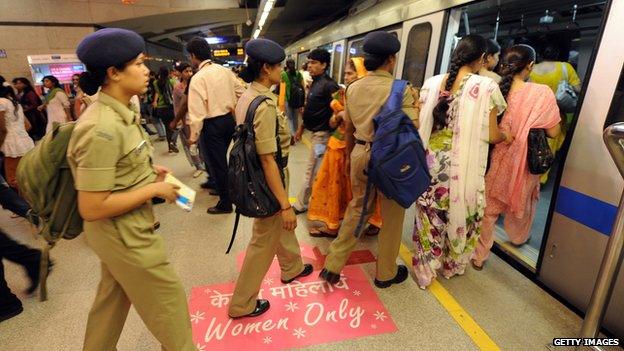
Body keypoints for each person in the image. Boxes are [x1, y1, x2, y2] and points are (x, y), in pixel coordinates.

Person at [69, 28, 194, 350]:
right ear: (113, 73)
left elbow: (118, 166)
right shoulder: (101, 128)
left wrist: (147, 171)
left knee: (110, 303)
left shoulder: (119, 113)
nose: (146, 71)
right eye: (138, 64)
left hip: (121, 229)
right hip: (124, 232)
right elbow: (92, 208)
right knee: (170, 304)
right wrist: (154, 191)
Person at [319, 31, 418, 288]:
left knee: (357, 209)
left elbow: (349, 129)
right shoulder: (401, 89)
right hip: (391, 160)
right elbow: (412, 128)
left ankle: (332, 265)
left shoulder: (352, 88)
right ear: (392, 59)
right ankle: (385, 273)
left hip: (360, 153)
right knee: (392, 217)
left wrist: (351, 157)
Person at [412, 35, 511, 289]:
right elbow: (491, 135)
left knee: (428, 217)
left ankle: (425, 271)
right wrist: (507, 135)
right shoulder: (487, 87)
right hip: (460, 168)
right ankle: (449, 265)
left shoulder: (433, 82)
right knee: (459, 216)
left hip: (430, 163)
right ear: (481, 59)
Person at [228, 38, 312, 319]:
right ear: (266, 68)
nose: (282, 71)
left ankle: (292, 267)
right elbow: (267, 159)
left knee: (279, 227)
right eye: (278, 67)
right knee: (263, 239)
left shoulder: (247, 95)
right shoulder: (263, 105)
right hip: (268, 175)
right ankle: (242, 303)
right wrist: (285, 204)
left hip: (261, 174)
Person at [472, 45, 561, 269]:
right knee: (524, 201)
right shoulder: (542, 93)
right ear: (530, 66)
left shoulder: (494, 89)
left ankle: (479, 257)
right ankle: (518, 238)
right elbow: (553, 132)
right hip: (525, 165)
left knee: (489, 211)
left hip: (498, 159)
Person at [307, 57, 382, 237]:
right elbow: (333, 123)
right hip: (337, 146)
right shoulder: (342, 94)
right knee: (336, 186)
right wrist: (338, 116)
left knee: (361, 190)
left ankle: (371, 222)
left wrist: (342, 115)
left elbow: (355, 123)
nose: (346, 77)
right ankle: (335, 222)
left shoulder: (367, 96)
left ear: (361, 74)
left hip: (356, 148)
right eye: (346, 73)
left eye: (350, 73)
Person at [186, 37, 244, 214]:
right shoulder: (224, 71)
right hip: (228, 121)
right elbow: (241, 91)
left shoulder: (198, 78)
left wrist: (192, 138)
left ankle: (226, 203)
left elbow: (197, 114)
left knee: (217, 164)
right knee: (220, 162)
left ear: (193, 55)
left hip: (211, 126)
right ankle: (221, 188)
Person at [292, 49, 340, 214]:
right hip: (315, 134)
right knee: (315, 169)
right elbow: (311, 109)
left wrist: (333, 123)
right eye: (309, 62)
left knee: (312, 170)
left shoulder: (329, 85)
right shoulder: (315, 83)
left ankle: (301, 204)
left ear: (324, 65)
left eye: (314, 63)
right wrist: (301, 128)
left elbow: (339, 109)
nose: (309, 66)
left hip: (322, 136)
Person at [530, 42, 581, 184]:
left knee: (532, 142)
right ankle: (541, 178)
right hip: (555, 114)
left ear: (539, 55)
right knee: (550, 145)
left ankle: (529, 173)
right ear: (557, 54)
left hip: (534, 113)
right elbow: (577, 88)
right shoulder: (565, 67)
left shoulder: (532, 68)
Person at [171, 62, 205, 178]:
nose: (189, 73)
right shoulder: (177, 88)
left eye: (190, 71)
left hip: (198, 117)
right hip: (186, 120)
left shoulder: (196, 84)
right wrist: (178, 120)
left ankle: (203, 162)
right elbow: (176, 105)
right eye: (186, 71)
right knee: (191, 144)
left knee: (201, 142)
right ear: (180, 73)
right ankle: (198, 166)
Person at [0, 85, 35, 190]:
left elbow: (2, 129)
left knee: (12, 179)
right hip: (25, 141)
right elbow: (28, 126)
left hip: (10, 143)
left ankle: (24, 204)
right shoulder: (17, 104)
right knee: (25, 175)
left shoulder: (1, 102)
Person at [152, 66, 179, 153]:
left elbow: (157, 92)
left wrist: (155, 101)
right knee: (177, 125)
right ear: (168, 73)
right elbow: (176, 93)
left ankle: (170, 147)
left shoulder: (155, 83)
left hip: (161, 108)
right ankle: (173, 142)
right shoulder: (171, 81)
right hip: (171, 107)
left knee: (167, 128)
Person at [280, 59, 304, 136]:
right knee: (295, 118)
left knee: (289, 118)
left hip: (288, 99)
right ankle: (296, 133)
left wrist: (281, 103)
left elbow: (282, 89)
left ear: (286, 65)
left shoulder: (283, 74)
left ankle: (292, 135)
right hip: (297, 99)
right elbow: (302, 87)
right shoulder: (299, 74)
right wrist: (303, 100)